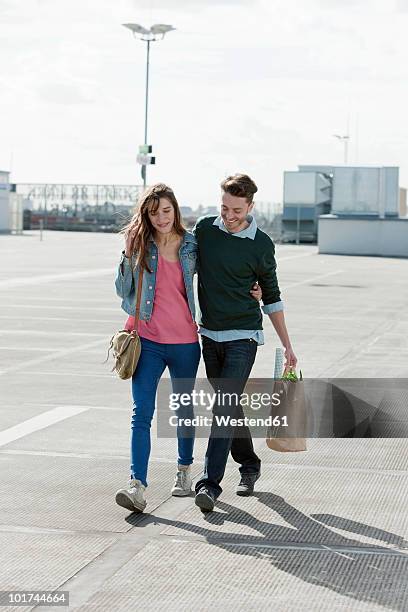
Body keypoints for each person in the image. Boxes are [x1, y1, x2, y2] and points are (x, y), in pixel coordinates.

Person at [113, 182, 263, 513]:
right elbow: (122, 290)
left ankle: (183, 471)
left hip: (184, 343)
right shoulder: (140, 244)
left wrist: (252, 288)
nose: (161, 218)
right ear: (146, 215)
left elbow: (221, 270)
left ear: (175, 211)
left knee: (182, 411)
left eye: (166, 211)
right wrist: (127, 253)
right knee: (142, 414)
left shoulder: (192, 244)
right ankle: (136, 483)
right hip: (147, 341)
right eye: (154, 213)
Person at [194, 173, 297, 513]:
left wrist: (288, 346)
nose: (228, 215)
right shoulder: (205, 231)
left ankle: (209, 484)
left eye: (236, 209)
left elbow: (272, 295)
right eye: (224, 207)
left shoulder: (261, 244)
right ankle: (250, 464)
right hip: (209, 335)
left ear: (250, 206)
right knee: (230, 405)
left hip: (243, 336)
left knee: (223, 405)